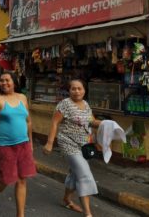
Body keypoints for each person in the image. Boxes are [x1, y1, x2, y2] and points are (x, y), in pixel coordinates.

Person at [0, 71, 36, 217]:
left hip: (24, 144)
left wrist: (31, 141)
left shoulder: (22, 97)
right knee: (5, 180)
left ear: (14, 82)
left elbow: (28, 121)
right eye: (1, 81)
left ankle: (20, 215)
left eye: (7, 80)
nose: (4, 83)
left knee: (22, 179)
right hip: (5, 145)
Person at [43, 79, 101, 217]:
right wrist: (50, 142)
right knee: (84, 173)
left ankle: (67, 199)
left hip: (84, 145)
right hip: (68, 143)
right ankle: (88, 214)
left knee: (75, 173)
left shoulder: (86, 104)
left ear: (84, 90)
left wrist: (107, 124)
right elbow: (54, 123)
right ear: (69, 91)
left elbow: (92, 121)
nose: (76, 91)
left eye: (79, 88)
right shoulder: (64, 104)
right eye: (73, 89)